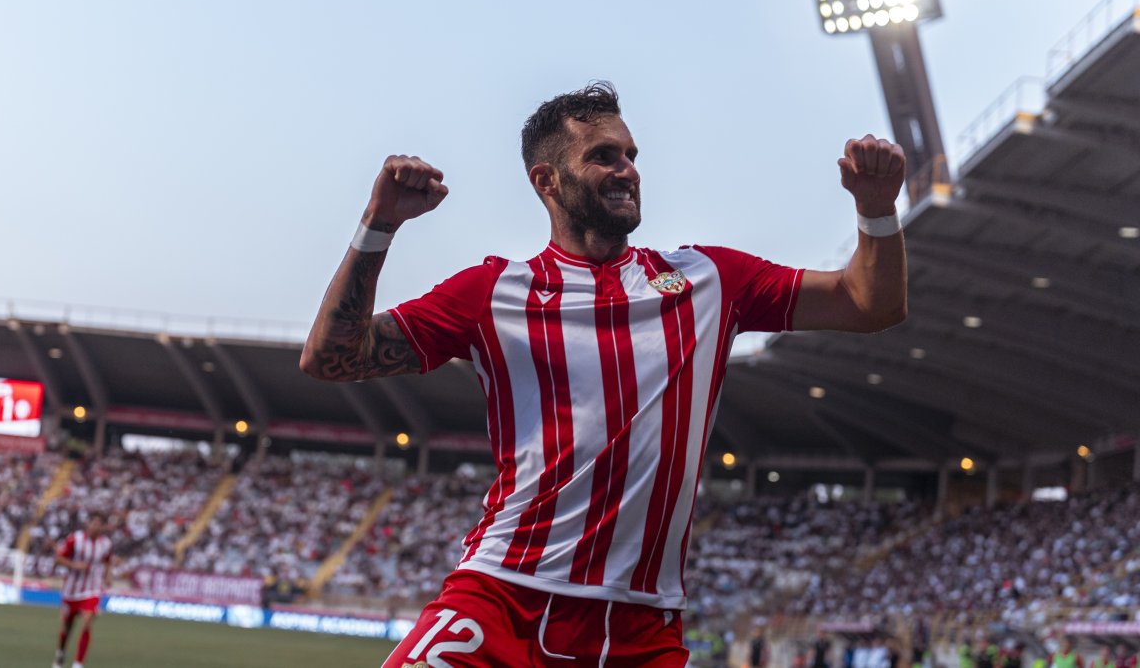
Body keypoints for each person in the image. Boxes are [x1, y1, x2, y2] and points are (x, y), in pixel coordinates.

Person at [301, 81, 908, 666]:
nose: (627, 169)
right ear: (547, 180)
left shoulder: (710, 281)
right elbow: (333, 358)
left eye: (631, 155)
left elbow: (868, 304)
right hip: (503, 600)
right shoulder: (491, 293)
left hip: (642, 632)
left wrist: (877, 210)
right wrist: (379, 223)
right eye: (603, 156)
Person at [51, 511, 112, 668]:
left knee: (86, 623)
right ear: (88, 524)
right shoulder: (75, 539)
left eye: (99, 524)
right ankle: (60, 652)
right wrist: (74, 565)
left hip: (91, 590)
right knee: (68, 626)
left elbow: (107, 561)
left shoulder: (105, 544)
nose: (96, 527)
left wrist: (108, 576)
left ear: (102, 527)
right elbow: (58, 558)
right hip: (72, 590)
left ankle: (78, 664)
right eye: (94, 523)